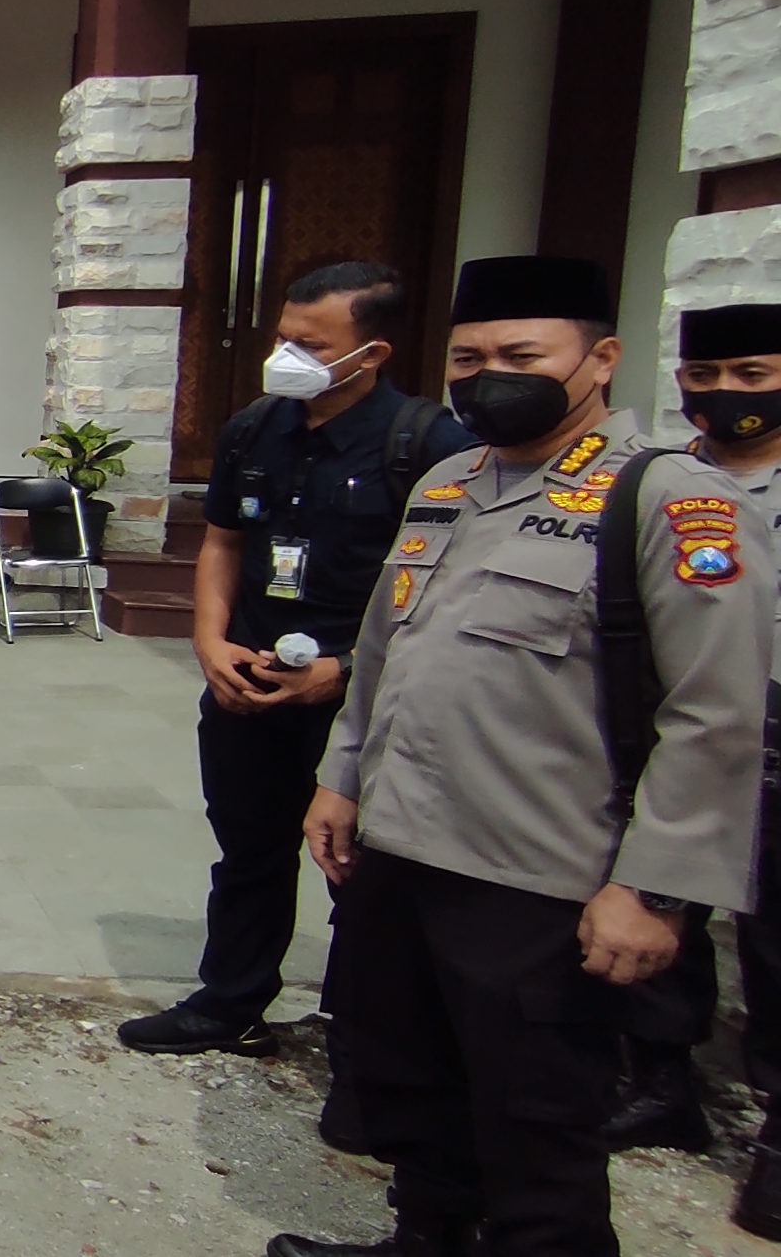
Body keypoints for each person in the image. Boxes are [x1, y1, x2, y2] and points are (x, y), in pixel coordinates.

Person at [270, 256, 778, 1257]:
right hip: (404, 852)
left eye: (519, 354)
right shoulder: (449, 481)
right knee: (411, 1084)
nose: (487, 373)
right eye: (468, 356)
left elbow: (716, 715)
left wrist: (657, 888)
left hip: (541, 880)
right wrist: (342, 777)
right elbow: (386, 652)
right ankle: (425, 1240)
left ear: (601, 359)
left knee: (535, 1129)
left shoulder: (669, 501)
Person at [119, 262, 473, 1062]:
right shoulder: (254, 428)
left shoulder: (427, 444)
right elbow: (222, 542)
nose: (287, 356)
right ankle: (231, 1004)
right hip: (248, 685)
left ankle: (363, 1030)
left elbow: (451, 588)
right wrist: (209, 643)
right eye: (284, 337)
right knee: (249, 852)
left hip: (361, 701)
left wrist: (342, 669)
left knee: (364, 870)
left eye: (311, 344)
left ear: (371, 351)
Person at [608, 303, 781, 1209]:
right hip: (675, 723)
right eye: (706, 376)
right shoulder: (656, 482)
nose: (726, 394)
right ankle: (664, 1085)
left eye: (752, 375)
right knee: (664, 896)